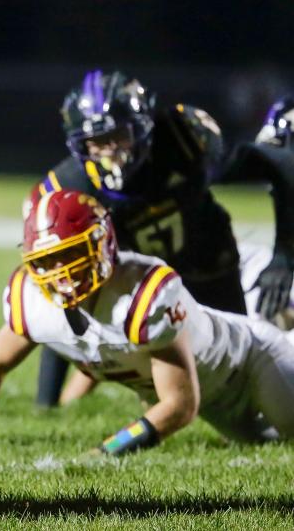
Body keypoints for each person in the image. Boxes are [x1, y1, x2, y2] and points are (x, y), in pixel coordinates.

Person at [0, 190, 294, 452]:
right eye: (48, 261)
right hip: (212, 396)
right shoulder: (32, 302)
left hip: (253, 361)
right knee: (268, 446)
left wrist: (107, 451)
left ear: (102, 244)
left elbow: (179, 405)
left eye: (71, 254)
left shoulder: (142, 295)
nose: (62, 273)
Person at [33, 72, 294, 407]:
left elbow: (281, 167)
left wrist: (284, 258)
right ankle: (67, 400)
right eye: (96, 142)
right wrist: (46, 404)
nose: (110, 152)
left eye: (119, 136)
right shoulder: (71, 185)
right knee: (145, 371)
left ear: (143, 125)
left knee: (236, 372)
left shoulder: (183, 138)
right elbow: (64, 295)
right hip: (143, 282)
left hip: (210, 264)